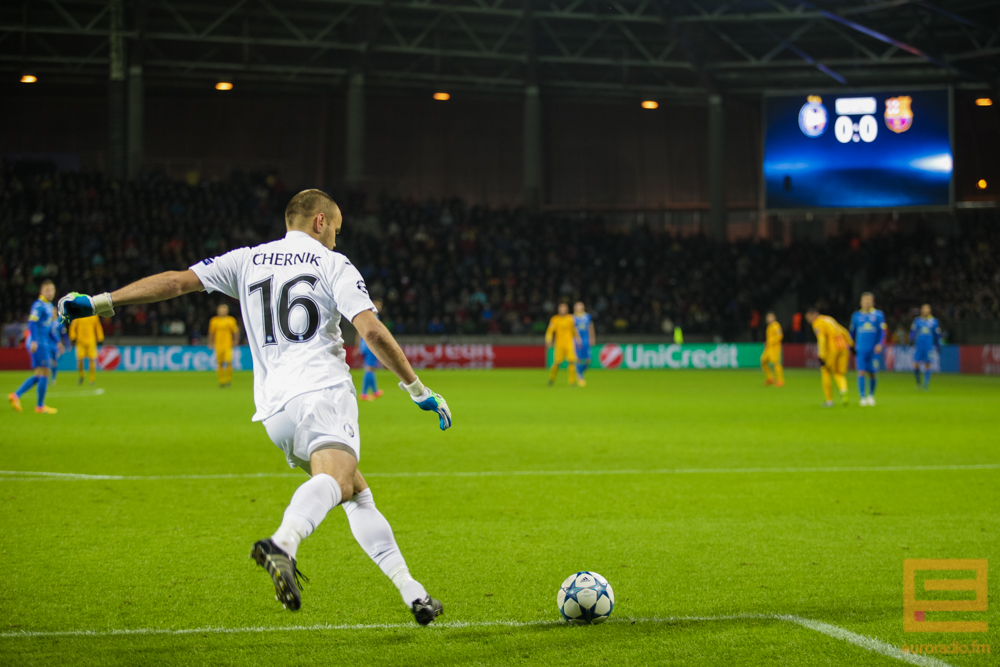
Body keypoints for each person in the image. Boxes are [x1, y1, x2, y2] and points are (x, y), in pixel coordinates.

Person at [58, 189, 452, 624]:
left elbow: (174, 283)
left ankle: (412, 591)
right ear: (320, 222)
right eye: (336, 230)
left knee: (356, 491)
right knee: (338, 482)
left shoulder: (247, 259)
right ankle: (283, 542)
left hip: (274, 411)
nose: (337, 241)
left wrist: (98, 303)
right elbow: (371, 331)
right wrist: (418, 390)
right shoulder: (332, 264)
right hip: (320, 392)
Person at [7, 280, 59, 414]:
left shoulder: (49, 306)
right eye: (47, 290)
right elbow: (32, 323)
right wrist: (35, 341)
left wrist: (57, 341)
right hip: (39, 343)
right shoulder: (38, 305)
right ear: (41, 292)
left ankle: (16, 395)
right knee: (45, 372)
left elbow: (47, 328)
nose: (50, 292)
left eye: (52, 290)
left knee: (39, 374)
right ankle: (40, 406)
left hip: (43, 341)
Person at [806, 308, 853, 407]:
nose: (809, 321)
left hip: (832, 349)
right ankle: (844, 390)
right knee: (838, 372)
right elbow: (843, 330)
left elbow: (822, 339)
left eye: (809, 318)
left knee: (825, 371)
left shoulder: (817, 323)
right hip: (843, 347)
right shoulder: (829, 319)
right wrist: (851, 345)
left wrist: (821, 355)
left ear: (813, 314)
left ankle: (829, 401)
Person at [849, 292, 887, 407]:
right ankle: (862, 397)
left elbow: (883, 332)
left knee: (872, 373)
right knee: (860, 372)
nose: (866, 303)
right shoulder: (856, 316)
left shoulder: (879, 315)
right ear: (861, 302)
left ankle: (871, 395)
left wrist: (880, 344)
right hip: (860, 349)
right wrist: (851, 345)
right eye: (865, 301)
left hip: (873, 350)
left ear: (872, 302)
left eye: (869, 301)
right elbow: (851, 333)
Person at [355, 299, 385, 400]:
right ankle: (363, 393)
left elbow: (359, 333)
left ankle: (375, 391)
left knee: (370, 368)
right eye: (377, 305)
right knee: (369, 368)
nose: (379, 307)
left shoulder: (364, 317)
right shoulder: (374, 317)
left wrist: (359, 346)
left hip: (364, 345)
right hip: (370, 345)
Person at [546, 302, 581, 386]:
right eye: (561, 308)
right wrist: (548, 340)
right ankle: (552, 379)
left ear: (567, 309)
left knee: (571, 362)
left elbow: (574, 330)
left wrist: (578, 339)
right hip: (559, 344)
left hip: (569, 344)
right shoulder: (555, 319)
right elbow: (550, 331)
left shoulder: (570, 318)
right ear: (558, 309)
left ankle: (572, 381)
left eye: (564, 308)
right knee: (557, 363)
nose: (562, 310)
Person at [208, 303, 240, 388]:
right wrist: (210, 342)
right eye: (221, 309)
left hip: (228, 344)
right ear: (218, 311)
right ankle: (222, 381)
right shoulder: (214, 320)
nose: (222, 311)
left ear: (227, 311)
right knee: (220, 363)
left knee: (229, 362)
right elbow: (211, 332)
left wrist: (236, 340)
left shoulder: (231, 320)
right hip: (218, 345)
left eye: (224, 310)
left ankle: (229, 380)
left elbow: (235, 331)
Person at [910, 304, 941, 390]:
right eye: (924, 309)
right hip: (919, 346)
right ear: (921, 310)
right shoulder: (917, 321)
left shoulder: (934, 321)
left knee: (928, 364)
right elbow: (913, 331)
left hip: (928, 346)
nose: (925, 311)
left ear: (930, 310)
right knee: (915, 364)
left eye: (927, 309)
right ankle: (918, 382)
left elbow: (937, 334)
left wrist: (938, 344)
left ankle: (926, 384)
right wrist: (911, 339)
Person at [69, 315, 105, 385]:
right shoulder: (78, 315)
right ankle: (81, 375)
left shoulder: (93, 315)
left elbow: (97, 326)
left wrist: (100, 337)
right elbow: (73, 326)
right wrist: (73, 336)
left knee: (92, 360)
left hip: (91, 341)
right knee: (80, 360)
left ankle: (92, 379)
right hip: (80, 341)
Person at [572, 301, 595, 387]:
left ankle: (580, 372)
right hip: (577, 341)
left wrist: (592, 338)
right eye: (577, 307)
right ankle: (580, 377)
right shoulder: (572, 318)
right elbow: (572, 330)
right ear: (575, 308)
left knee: (589, 360)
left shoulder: (587, 316)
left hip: (586, 340)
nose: (579, 308)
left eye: (580, 307)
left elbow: (590, 327)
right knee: (577, 359)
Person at [760, 312, 784, 387]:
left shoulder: (776, 325)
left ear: (774, 318)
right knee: (763, 361)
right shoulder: (769, 326)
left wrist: (770, 342)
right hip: (769, 348)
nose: (768, 319)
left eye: (770, 317)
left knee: (776, 363)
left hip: (775, 348)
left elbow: (780, 336)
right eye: (767, 317)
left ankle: (780, 380)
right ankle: (770, 377)